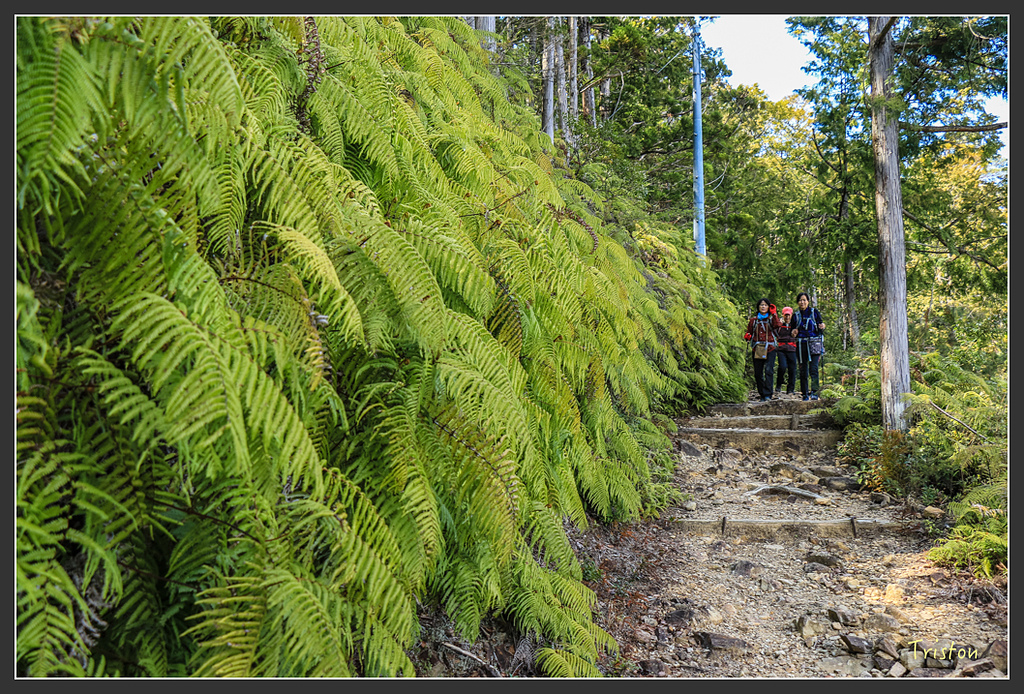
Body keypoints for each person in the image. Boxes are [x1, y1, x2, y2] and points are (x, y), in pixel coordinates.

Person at [744, 298, 782, 401]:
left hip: (770, 348)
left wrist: (774, 314)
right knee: (758, 372)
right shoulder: (754, 321)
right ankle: (762, 393)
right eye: (761, 305)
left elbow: (777, 325)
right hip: (757, 348)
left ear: (768, 307)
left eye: (765, 305)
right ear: (758, 307)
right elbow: (749, 332)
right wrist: (747, 336)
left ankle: (768, 394)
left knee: (769, 370)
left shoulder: (771, 319)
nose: (763, 306)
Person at [793, 292, 825, 401]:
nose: (802, 302)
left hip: (814, 343)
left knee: (814, 368)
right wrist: (794, 332)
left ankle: (815, 392)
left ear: (808, 301)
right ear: (798, 302)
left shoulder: (814, 312)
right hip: (801, 344)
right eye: (800, 300)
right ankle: (805, 394)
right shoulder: (796, 315)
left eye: (804, 300)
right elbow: (792, 330)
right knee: (803, 370)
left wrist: (822, 326)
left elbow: (820, 325)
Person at [773, 306, 797, 396]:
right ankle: (778, 386)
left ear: (791, 315)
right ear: (783, 315)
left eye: (789, 315)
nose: (787, 317)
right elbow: (774, 332)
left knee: (792, 369)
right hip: (781, 349)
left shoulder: (794, 324)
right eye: (785, 315)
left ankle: (791, 389)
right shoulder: (779, 325)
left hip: (792, 348)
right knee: (782, 367)